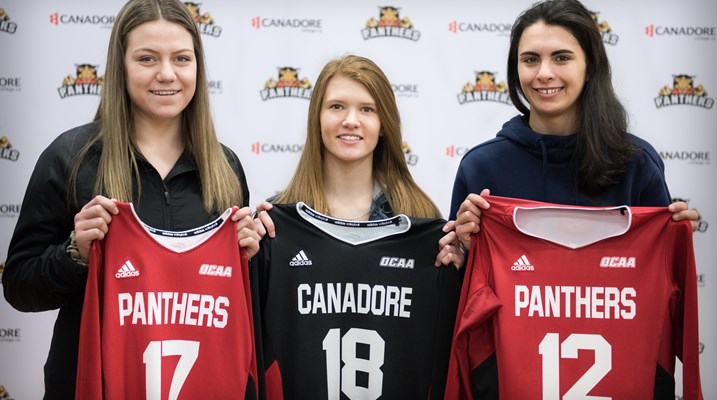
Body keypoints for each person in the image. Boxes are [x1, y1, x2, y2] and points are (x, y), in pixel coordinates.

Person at [1, 0, 262, 398]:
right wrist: (75, 254)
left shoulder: (225, 168)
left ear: (198, 67)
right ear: (120, 65)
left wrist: (254, 254)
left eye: (181, 58)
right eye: (146, 58)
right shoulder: (71, 158)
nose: (166, 74)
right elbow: (19, 287)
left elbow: (237, 304)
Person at [448, 0, 701, 397]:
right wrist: (461, 250)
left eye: (561, 57)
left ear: (590, 66)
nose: (544, 73)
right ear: (516, 69)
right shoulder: (482, 168)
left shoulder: (636, 164)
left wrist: (673, 240)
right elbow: (465, 304)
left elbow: (665, 302)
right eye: (530, 59)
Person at [252, 54, 463, 398]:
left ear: (385, 124)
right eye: (336, 106)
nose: (351, 120)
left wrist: (459, 268)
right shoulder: (273, 227)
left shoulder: (423, 223)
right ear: (317, 118)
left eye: (367, 109)